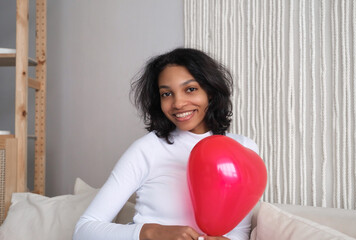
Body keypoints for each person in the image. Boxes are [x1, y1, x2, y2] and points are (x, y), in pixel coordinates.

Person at [73, 48, 259, 240]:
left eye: (190, 89)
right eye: (166, 94)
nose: (178, 103)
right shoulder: (147, 149)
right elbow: (84, 230)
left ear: (210, 92)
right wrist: (150, 232)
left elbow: (240, 231)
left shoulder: (244, 148)